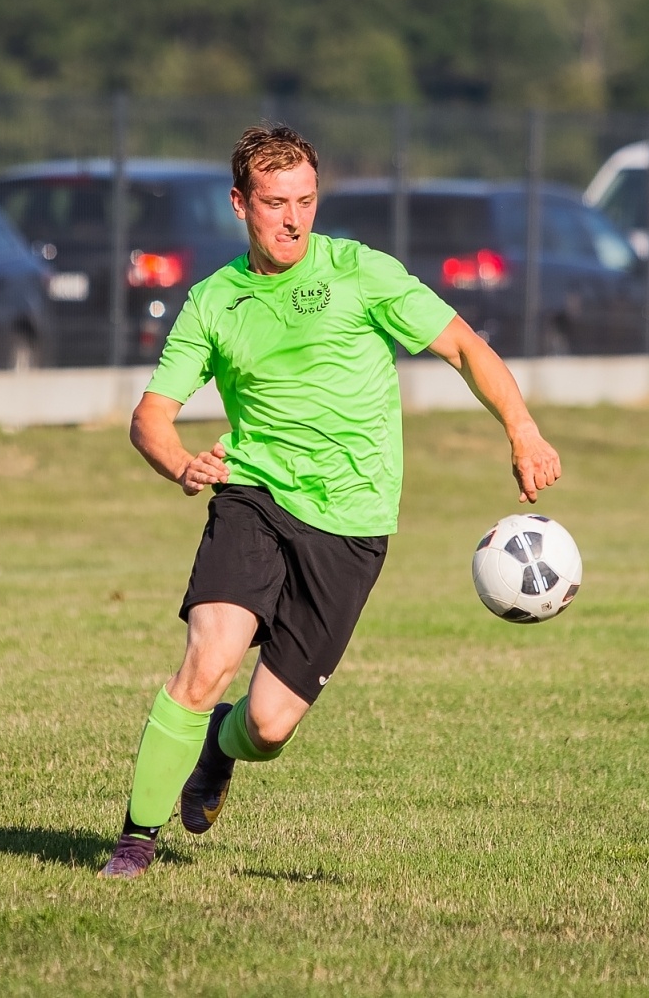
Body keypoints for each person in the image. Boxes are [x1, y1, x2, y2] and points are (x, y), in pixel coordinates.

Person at [101, 124, 562, 877]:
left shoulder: (360, 272)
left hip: (353, 524)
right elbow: (149, 417)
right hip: (252, 495)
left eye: (306, 201)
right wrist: (183, 464)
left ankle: (219, 747)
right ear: (239, 203)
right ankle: (134, 838)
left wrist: (523, 430)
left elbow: (466, 348)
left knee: (269, 725)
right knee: (210, 654)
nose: (293, 219)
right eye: (276, 202)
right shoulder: (214, 301)